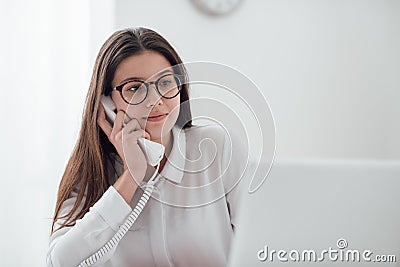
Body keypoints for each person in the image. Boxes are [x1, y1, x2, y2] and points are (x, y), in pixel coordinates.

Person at [47, 27, 248, 267]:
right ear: (106, 103)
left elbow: (262, 243)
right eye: (134, 88)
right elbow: (58, 261)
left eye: (165, 83)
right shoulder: (94, 169)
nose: (155, 100)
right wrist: (130, 178)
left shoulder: (218, 147)